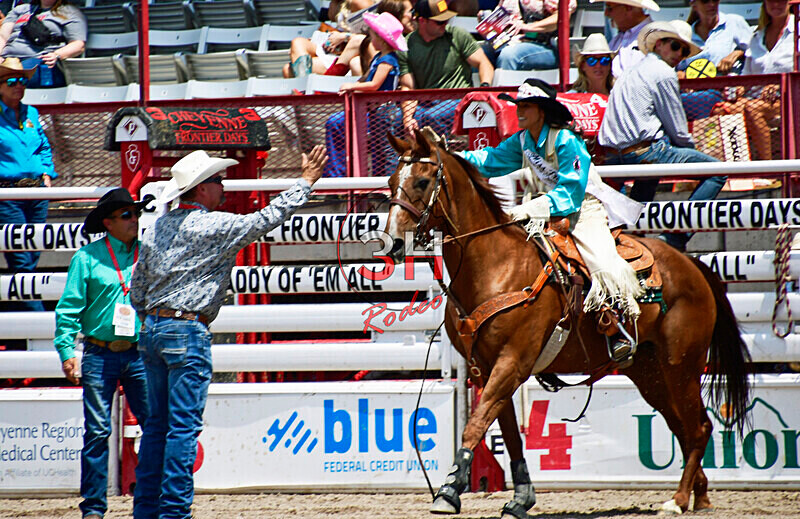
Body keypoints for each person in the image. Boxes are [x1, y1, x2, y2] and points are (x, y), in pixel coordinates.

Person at [129, 146, 327, 519]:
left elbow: (137, 290)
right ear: (201, 188)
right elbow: (267, 218)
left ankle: (146, 510)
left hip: (153, 327)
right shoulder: (216, 225)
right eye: (217, 181)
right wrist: (305, 183)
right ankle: (173, 513)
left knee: (157, 426)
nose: (222, 186)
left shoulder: (155, 228)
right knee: (182, 428)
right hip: (187, 329)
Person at [459, 78, 645, 364]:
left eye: (527, 106)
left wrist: (534, 207)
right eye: (518, 105)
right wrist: (454, 158)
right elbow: (490, 159)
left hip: (582, 209)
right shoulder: (523, 140)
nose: (519, 111)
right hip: (542, 209)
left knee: (601, 261)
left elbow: (573, 190)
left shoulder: (567, 140)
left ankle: (617, 326)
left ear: (542, 111)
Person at [54, 188, 150, 519]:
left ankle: (151, 499)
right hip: (99, 352)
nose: (134, 220)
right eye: (126, 215)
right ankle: (93, 509)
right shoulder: (86, 258)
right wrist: (67, 350)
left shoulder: (147, 253)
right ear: (108, 223)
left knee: (153, 425)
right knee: (97, 431)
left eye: (135, 214)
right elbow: (68, 309)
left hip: (140, 351)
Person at [598, 20, 726, 251]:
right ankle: (675, 239)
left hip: (612, 156)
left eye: (684, 51)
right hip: (643, 152)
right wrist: (695, 154)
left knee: (649, 174)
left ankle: (632, 236)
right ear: (659, 45)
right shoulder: (664, 73)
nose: (680, 54)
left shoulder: (629, 72)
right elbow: (678, 131)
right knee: (717, 172)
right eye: (676, 47)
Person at [0, 57, 54, 312]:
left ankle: (24, 326)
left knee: (32, 254)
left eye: (22, 81)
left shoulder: (32, 112)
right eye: (12, 81)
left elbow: (43, 145)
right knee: (22, 260)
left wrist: (46, 172)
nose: (19, 86)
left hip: (36, 192)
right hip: (8, 194)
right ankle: (42, 323)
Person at [325, 11, 406, 177]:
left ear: (381, 39)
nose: (369, 38)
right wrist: (356, 84)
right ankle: (376, 182)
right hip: (376, 112)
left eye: (372, 35)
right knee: (377, 149)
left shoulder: (388, 60)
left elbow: (375, 84)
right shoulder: (378, 57)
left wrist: (352, 87)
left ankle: (388, 183)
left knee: (387, 150)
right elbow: (366, 77)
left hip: (386, 112)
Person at [399, 0, 494, 137]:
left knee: (432, 117)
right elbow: (408, 87)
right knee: (397, 119)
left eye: (447, 20)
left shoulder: (457, 35)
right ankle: (402, 158)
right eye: (439, 22)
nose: (445, 24)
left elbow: (483, 63)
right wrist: (407, 118)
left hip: (458, 100)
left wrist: (484, 88)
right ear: (422, 21)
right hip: (425, 103)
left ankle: (442, 156)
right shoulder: (407, 45)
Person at [675, 0, 752, 120]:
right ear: (694, 5)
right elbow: (674, 65)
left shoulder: (733, 22)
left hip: (725, 95)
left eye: (715, 0)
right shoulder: (686, 34)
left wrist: (737, 53)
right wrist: (679, 74)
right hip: (692, 96)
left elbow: (755, 50)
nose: (711, 5)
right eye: (705, 1)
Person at [0, 0, 86, 88]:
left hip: (39, 61)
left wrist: (56, 54)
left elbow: (78, 45)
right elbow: (2, 37)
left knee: (12, 78)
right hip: (8, 60)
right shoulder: (20, 10)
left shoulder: (70, 13)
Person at [284, 0, 377, 78]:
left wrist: (344, 36)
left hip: (352, 51)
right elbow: (332, 19)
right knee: (298, 42)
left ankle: (308, 94)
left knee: (288, 70)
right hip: (336, 49)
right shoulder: (338, 3)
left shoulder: (360, 2)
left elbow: (372, 36)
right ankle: (306, 93)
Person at [479, 0, 576, 71]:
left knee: (509, 55)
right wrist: (487, 26)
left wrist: (527, 27)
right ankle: (477, 95)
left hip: (544, 45)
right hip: (508, 41)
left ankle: (503, 97)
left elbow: (561, 18)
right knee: (478, 52)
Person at [592, 0, 660, 78]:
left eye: (610, 8)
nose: (606, 13)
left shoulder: (656, 36)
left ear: (628, 8)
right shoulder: (617, 39)